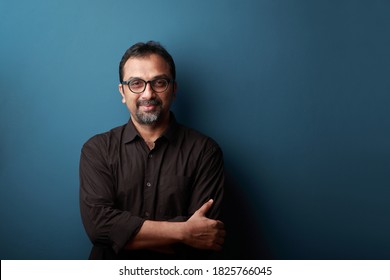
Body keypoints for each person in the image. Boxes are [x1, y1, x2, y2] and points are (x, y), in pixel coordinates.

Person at [79, 41, 225, 259]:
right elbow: (99, 229)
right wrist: (184, 232)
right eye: (136, 83)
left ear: (173, 89)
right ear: (122, 91)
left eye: (159, 82)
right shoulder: (97, 150)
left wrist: (122, 234)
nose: (148, 94)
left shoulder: (205, 151)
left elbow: (205, 234)